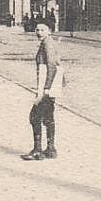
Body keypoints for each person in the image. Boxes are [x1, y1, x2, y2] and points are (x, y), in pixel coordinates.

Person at [22, 22, 63, 160]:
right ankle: (51, 149)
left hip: (47, 88)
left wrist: (46, 87)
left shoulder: (48, 44)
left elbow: (52, 66)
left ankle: (37, 151)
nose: (38, 32)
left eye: (42, 30)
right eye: (37, 29)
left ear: (49, 31)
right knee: (48, 117)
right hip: (50, 87)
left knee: (34, 117)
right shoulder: (48, 42)